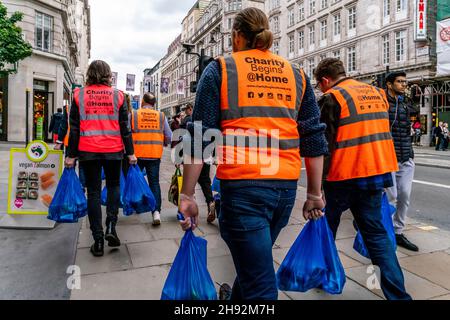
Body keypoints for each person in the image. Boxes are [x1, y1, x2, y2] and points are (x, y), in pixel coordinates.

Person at [178, 7, 327, 300]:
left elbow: (199, 137)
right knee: (253, 269)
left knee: (260, 285)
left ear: (236, 37)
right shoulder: (296, 74)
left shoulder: (221, 68)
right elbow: (313, 136)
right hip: (284, 191)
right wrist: (313, 193)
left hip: (242, 189)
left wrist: (187, 195)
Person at [316, 58, 411, 300]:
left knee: (327, 230)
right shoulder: (377, 94)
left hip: (342, 176)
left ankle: (326, 277)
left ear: (325, 80)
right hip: (375, 173)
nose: (321, 89)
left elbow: (324, 145)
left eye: (320, 84)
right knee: (377, 236)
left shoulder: (333, 97)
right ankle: (399, 296)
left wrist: (316, 189)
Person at [65, 60, 137, 257]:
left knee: (94, 193)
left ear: (90, 74)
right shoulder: (118, 96)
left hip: (87, 151)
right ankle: (111, 227)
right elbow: (126, 129)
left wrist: (71, 156)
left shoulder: (79, 95)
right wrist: (130, 153)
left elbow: (74, 130)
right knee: (114, 186)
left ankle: (97, 240)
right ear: (107, 75)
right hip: (113, 150)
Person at [384, 71, 419, 252]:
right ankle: (385, 230)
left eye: (405, 82)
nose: (404, 85)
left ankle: (398, 231)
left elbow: (409, 129)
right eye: (399, 82)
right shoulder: (381, 104)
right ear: (389, 84)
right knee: (391, 197)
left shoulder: (406, 105)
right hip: (389, 158)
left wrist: (410, 153)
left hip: (406, 157)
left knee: (404, 195)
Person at [132, 93, 172, 226]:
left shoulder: (134, 114)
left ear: (143, 101)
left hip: (137, 155)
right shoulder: (161, 116)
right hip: (154, 155)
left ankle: (136, 205)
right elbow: (169, 136)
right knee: (154, 183)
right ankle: (156, 213)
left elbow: (125, 133)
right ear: (154, 103)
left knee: (135, 181)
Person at [180, 102, 216, 224]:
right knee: (205, 180)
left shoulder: (188, 120)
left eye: (187, 109)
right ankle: (210, 202)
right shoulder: (206, 117)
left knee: (191, 181)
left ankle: (190, 201)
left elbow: (185, 137)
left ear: (190, 109)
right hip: (207, 154)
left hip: (195, 152)